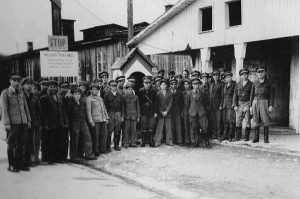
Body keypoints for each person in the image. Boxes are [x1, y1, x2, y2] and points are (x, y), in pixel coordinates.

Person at [1, 73, 32, 172]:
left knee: (21, 143)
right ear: (10, 81)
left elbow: (25, 107)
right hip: (13, 123)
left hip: (22, 122)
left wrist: (28, 120)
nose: (16, 82)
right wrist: (6, 123)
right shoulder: (5, 93)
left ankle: (19, 164)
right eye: (14, 80)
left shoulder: (21, 93)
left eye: (18, 81)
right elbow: (4, 110)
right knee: (11, 144)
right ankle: (11, 165)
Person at [43, 80, 68, 164]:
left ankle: (59, 158)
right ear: (48, 88)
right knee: (50, 141)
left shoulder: (60, 97)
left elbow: (64, 110)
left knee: (60, 141)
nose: (52, 88)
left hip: (60, 123)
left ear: (57, 88)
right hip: (50, 123)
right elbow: (44, 113)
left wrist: (65, 122)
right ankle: (50, 158)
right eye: (51, 87)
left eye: (54, 87)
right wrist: (46, 124)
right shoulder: (44, 98)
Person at [68, 88, 95, 162]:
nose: (77, 95)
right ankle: (73, 157)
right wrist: (70, 125)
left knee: (87, 137)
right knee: (74, 140)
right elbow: (69, 115)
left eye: (79, 94)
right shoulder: (70, 103)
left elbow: (84, 113)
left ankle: (88, 154)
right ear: (73, 95)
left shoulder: (81, 102)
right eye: (76, 94)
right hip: (74, 123)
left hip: (83, 122)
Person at [250, 66, 274, 143]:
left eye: (262, 72)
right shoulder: (255, 83)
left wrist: (271, 105)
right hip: (255, 102)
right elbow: (252, 95)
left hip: (264, 102)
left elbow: (272, 95)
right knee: (256, 119)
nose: (260, 74)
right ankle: (256, 138)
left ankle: (265, 138)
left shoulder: (269, 83)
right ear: (257, 74)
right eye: (259, 72)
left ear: (265, 73)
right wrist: (251, 106)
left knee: (265, 119)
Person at [22, 77, 42, 167]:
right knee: (25, 141)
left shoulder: (35, 97)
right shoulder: (20, 96)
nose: (29, 85)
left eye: (31, 84)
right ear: (23, 85)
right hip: (23, 122)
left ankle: (33, 159)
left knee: (34, 142)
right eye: (27, 83)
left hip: (34, 122)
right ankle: (24, 159)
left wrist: (39, 122)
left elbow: (39, 110)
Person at [86, 83, 110, 155]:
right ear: (91, 90)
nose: (95, 91)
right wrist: (90, 121)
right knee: (96, 136)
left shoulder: (100, 98)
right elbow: (88, 111)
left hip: (102, 119)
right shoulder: (89, 99)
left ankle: (103, 149)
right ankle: (96, 150)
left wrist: (107, 118)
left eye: (97, 90)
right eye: (94, 89)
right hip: (95, 120)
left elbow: (104, 108)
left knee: (103, 135)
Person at [187, 78, 211, 148]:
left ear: (199, 85)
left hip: (201, 113)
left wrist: (204, 110)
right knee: (195, 128)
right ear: (192, 85)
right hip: (193, 113)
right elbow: (188, 104)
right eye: (194, 84)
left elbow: (206, 102)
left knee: (205, 128)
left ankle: (207, 142)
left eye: (197, 84)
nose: (196, 86)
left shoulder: (203, 93)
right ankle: (196, 142)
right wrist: (190, 111)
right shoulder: (189, 93)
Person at [232, 68, 253, 141]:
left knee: (247, 120)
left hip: (247, 103)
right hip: (239, 104)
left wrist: (250, 106)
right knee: (238, 121)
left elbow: (252, 96)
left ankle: (246, 137)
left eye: (246, 74)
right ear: (240, 76)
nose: (244, 76)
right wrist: (234, 105)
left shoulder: (251, 84)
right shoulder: (238, 84)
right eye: (242, 75)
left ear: (248, 75)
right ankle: (238, 137)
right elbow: (235, 95)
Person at [104, 80, 124, 151]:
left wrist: (122, 116)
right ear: (110, 87)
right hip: (110, 114)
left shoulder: (119, 95)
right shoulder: (106, 95)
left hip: (118, 114)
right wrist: (106, 117)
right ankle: (108, 146)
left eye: (115, 86)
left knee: (117, 130)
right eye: (112, 86)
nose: (114, 87)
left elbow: (122, 106)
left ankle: (116, 145)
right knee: (109, 130)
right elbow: (105, 107)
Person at [138, 76, 157, 147]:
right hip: (143, 112)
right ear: (143, 83)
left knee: (151, 126)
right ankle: (143, 141)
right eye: (146, 83)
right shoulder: (140, 92)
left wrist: (155, 112)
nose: (147, 84)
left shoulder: (153, 92)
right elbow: (138, 103)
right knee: (144, 126)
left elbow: (156, 103)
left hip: (151, 112)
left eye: (149, 83)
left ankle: (151, 141)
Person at [154, 79, 173, 147]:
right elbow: (157, 103)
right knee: (159, 127)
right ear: (160, 86)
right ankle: (157, 141)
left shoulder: (170, 93)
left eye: (164, 84)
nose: (163, 86)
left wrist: (167, 111)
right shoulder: (158, 93)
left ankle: (169, 140)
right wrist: (161, 111)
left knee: (168, 127)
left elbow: (170, 103)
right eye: (162, 84)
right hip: (161, 113)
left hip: (168, 113)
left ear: (167, 86)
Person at [123, 82, 140, 148]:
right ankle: (126, 143)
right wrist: (123, 115)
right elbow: (123, 107)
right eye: (129, 89)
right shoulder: (124, 97)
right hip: (127, 116)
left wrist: (138, 116)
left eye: (131, 89)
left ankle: (133, 142)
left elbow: (138, 107)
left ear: (133, 90)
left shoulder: (136, 97)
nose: (130, 90)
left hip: (134, 115)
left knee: (134, 130)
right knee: (126, 130)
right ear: (127, 90)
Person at [220, 72, 236, 141]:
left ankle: (230, 136)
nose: (228, 79)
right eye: (226, 78)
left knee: (231, 121)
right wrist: (221, 105)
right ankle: (225, 135)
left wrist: (233, 104)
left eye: (229, 77)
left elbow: (235, 95)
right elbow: (222, 96)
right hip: (224, 105)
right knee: (225, 121)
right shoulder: (224, 85)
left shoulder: (234, 85)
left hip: (230, 105)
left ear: (231, 77)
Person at [209, 70, 223, 140]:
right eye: (214, 76)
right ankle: (214, 135)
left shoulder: (221, 84)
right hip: (212, 106)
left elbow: (222, 96)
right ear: (213, 76)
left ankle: (219, 135)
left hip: (218, 106)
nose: (215, 77)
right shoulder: (211, 84)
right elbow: (210, 96)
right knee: (213, 121)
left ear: (219, 76)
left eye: (217, 75)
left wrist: (221, 105)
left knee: (219, 121)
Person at [169, 79, 183, 145]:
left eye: (175, 84)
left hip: (177, 112)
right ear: (170, 85)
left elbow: (181, 103)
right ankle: (172, 139)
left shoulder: (180, 92)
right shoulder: (168, 92)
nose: (174, 85)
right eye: (172, 84)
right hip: (170, 112)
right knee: (171, 126)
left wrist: (181, 111)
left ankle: (179, 140)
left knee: (178, 126)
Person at [182, 78, 192, 146]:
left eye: (187, 84)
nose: (186, 86)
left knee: (191, 125)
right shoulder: (182, 93)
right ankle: (187, 140)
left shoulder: (191, 92)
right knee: (186, 126)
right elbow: (181, 103)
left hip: (191, 110)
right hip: (185, 110)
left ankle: (192, 140)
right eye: (185, 84)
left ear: (189, 85)